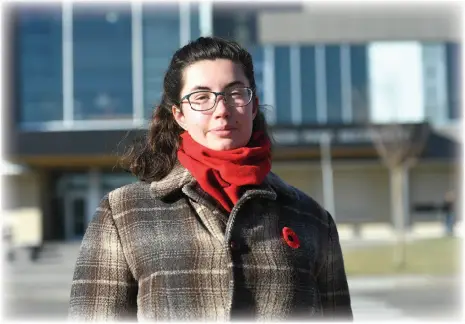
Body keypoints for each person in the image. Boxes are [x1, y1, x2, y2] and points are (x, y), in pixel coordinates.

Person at [68, 36, 353, 322]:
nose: (222, 110)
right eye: (201, 97)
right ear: (179, 115)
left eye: (235, 93)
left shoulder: (312, 218)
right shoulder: (123, 212)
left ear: (253, 106)